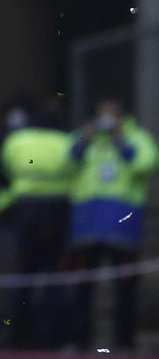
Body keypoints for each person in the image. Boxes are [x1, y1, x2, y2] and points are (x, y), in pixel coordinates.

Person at [62, 99, 156, 350]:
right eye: (101, 113)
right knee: (82, 286)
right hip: (87, 225)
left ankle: (125, 343)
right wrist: (86, 136)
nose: (106, 118)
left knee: (125, 287)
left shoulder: (136, 137)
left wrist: (119, 138)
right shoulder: (87, 138)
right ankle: (80, 341)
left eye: (111, 114)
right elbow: (68, 160)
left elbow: (144, 164)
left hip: (122, 226)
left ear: (122, 115)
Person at [0, 104, 72, 347]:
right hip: (57, 212)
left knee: (21, 273)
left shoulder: (17, 139)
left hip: (21, 213)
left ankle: (17, 333)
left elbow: (0, 167)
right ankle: (53, 335)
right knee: (54, 273)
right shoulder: (66, 140)